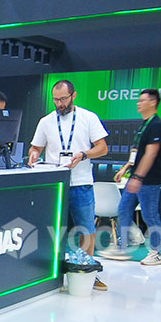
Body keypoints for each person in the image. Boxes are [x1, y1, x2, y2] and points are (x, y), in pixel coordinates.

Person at [28, 79, 109, 290]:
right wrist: (33, 155)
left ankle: (87, 273)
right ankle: (48, 274)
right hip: (54, 185)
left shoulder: (88, 118)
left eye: (63, 99)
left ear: (73, 96)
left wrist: (83, 155)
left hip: (81, 183)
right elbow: (35, 147)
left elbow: (102, 148)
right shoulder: (46, 121)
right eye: (55, 100)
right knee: (51, 230)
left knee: (86, 230)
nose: (59, 104)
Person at [101, 88, 161, 266]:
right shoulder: (144, 126)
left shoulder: (157, 125)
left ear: (153, 102)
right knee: (123, 209)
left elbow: (150, 154)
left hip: (150, 180)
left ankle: (156, 252)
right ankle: (120, 248)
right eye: (138, 100)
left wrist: (138, 178)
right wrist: (125, 169)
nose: (138, 103)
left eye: (142, 100)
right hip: (136, 178)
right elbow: (136, 153)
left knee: (150, 215)